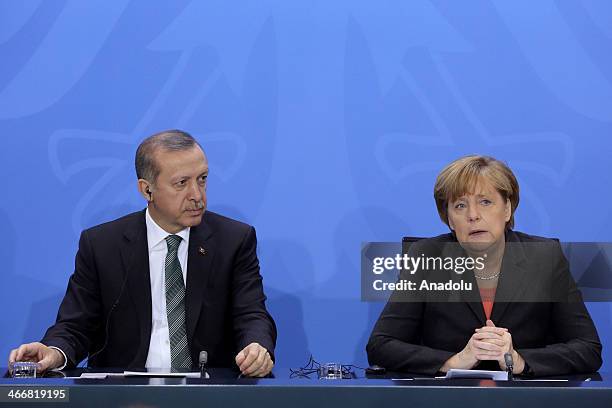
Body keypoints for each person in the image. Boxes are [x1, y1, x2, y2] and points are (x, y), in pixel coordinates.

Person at [8, 130, 276, 377]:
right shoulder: (102, 245)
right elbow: (76, 325)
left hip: (208, 394)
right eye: (181, 183)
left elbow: (251, 314)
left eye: (202, 179)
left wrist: (256, 346)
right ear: (146, 189)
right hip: (124, 395)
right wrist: (54, 352)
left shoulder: (234, 240)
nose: (197, 195)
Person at [367, 155, 602, 377]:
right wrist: (454, 362)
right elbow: (381, 345)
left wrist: (518, 360)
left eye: (485, 202)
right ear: (449, 218)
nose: (473, 215)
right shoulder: (427, 256)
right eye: (460, 206)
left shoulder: (544, 257)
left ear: (507, 209)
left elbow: (588, 349)